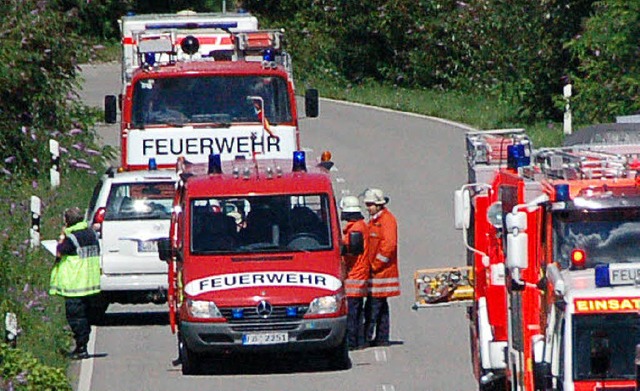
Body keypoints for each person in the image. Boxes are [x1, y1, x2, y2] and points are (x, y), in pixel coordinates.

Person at [49, 207, 101, 360]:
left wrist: (62, 236)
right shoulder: (91, 233)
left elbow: (59, 251)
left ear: (67, 221)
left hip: (75, 284)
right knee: (85, 317)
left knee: (76, 318)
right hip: (89, 282)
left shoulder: (72, 237)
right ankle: (82, 345)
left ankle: (81, 348)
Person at [362, 188, 400, 347]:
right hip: (378, 272)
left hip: (381, 273)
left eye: (370, 205)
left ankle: (366, 337)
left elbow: (389, 245)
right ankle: (381, 338)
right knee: (381, 307)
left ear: (379, 205)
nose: (368, 208)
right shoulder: (375, 220)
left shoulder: (386, 221)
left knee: (373, 308)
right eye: (367, 204)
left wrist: (375, 264)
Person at [339, 195, 370, 350]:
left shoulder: (356, 229)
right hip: (358, 272)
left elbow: (349, 250)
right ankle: (359, 340)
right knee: (357, 310)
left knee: (352, 311)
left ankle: (353, 341)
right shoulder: (358, 227)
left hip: (355, 274)